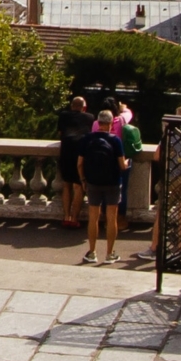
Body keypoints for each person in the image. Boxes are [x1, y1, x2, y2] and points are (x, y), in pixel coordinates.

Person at [78, 111, 126, 265]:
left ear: (98, 123)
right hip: (112, 182)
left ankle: (92, 252)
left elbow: (79, 163)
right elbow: (122, 165)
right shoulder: (115, 140)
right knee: (112, 217)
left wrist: (83, 180)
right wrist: (127, 163)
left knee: (94, 217)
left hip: (93, 181)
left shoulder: (87, 139)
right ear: (111, 123)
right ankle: (110, 253)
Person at [56, 95, 93, 228]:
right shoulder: (89, 117)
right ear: (84, 108)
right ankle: (74, 218)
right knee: (78, 186)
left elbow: (60, 132)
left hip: (66, 151)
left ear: (72, 106)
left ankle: (66, 216)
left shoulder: (64, 115)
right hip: (80, 153)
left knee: (66, 184)